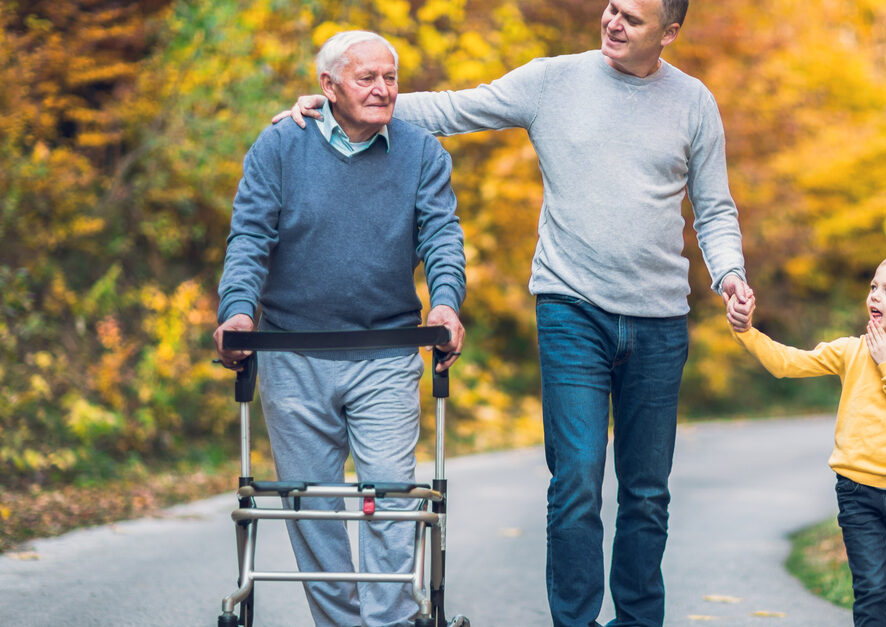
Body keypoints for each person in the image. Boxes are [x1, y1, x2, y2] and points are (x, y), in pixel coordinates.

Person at [273, 2, 751, 626]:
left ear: (668, 33)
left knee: (646, 491)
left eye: (631, 18)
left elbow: (714, 209)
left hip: (660, 318)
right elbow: (452, 108)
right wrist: (336, 100)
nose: (612, 21)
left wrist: (731, 274)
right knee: (577, 482)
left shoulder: (693, 102)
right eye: (610, 7)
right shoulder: (553, 80)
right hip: (571, 307)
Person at [214, 30, 467, 627]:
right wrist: (237, 310)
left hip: (387, 348)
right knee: (312, 507)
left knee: (390, 498)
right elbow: (250, 236)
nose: (383, 90)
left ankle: (388, 621)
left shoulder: (421, 151)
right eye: (367, 78)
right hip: (292, 351)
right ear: (328, 87)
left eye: (391, 78)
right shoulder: (279, 145)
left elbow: (442, 238)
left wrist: (446, 304)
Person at [725, 254, 886, 627]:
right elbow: (787, 363)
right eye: (873, 286)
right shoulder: (851, 350)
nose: (875, 295)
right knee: (871, 590)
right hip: (857, 493)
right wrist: (747, 331)